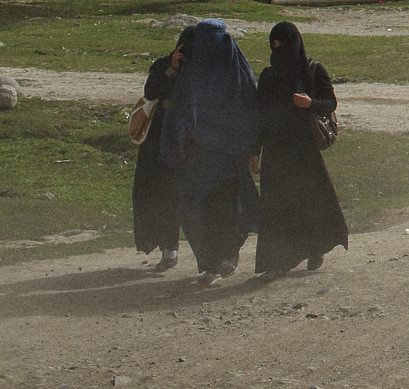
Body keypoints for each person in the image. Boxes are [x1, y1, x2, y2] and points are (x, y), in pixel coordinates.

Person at [160, 20, 261, 285]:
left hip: (229, 155)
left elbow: (250, 110)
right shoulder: (189, 71)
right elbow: (174, 110)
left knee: (228, 208)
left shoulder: (236, 71)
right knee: (194, 209)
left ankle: (227, 256)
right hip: (196, 157)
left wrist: (252, 149)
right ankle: (209, 263)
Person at [253, 21, 349, 276]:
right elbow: (260, 117)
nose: (279, 50)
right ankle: (277, 262)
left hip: (304, 150)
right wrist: (255, 151)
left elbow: (330, 103)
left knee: (310, 202)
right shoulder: (268, 76)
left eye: (283, 44)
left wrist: (310, 103)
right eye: (274, 45)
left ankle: (315, 248)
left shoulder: (312, 71)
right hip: (275, 152)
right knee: (277, 207)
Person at [131, 45, 182, 271]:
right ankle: (168, 249)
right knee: (159, 193)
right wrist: (171, 69)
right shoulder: (164, 64)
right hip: (158, 140)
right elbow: (150, 92)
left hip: (188, 140)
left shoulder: (203, 69)